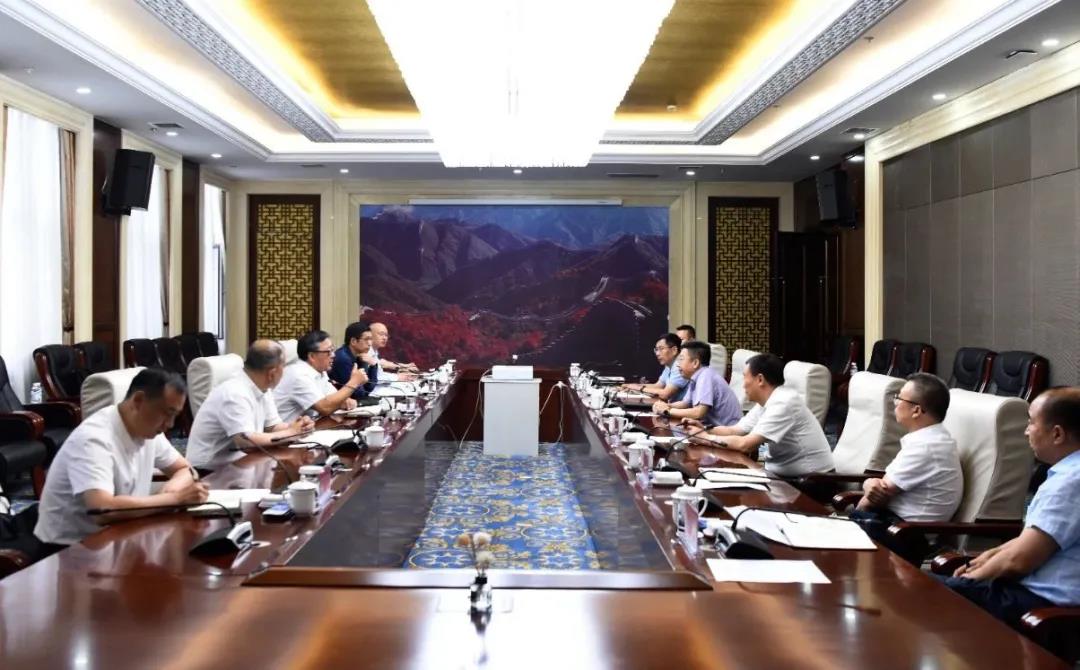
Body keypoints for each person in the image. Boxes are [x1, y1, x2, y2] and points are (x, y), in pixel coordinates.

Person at [938, 387, 1080, 635]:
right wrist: (986, 558)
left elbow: (1019, 560)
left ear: (1057, 434)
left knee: (912, 591)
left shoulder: (1070, 482)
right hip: (1030, 596)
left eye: (1031, 422)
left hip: (1037, 606)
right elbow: (1034, 539)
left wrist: (966, 580)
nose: (1026, 431)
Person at [33, 368, 209, 552]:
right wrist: (174, 499)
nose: (170, 424)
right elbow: (102, 509)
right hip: (69, 549)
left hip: (119, 535)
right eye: (167, 413)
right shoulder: (94, 438)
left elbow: (185, 469)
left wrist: (171, 490)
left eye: (175, 416)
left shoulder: (149, 429)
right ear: (138, 401)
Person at [851, 373, 962, 564]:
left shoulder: (927, 446)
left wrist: (856, 515)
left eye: (899, 398)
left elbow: (876, 496)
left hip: (903, 535)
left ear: (916, 410)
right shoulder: (931, 440)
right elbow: (878, 487)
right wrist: (869, 483)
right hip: (896, 527)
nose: (895, 403)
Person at [692, 353, 834, 476]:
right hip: (779, 475)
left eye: (745, 377)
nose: (743, 384)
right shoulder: (767, 401)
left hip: (810, 482)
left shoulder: (784, 403)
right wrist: (702, 430)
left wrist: (705, 438)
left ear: (760, 379)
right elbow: (735, 430)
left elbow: (745, 445)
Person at [185, 340, 314, 469]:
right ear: (272, 373)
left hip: (241, 462)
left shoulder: (263, 387)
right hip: (209, 471)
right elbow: (246, 442)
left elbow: (272, 426)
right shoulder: (234, 393)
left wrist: (298, 427)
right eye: (283, 367)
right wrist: (290, 433)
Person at [274, 329, 368, 423]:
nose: (333, 355)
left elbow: (335, 399)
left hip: (310, 426)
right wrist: (354, 382)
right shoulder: (298, 375)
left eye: (333, 350)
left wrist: (343, 400)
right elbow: (325, 407)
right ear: (312, 356)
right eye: (328, 351)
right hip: (284, 430)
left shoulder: (320, 371)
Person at [652, 341, 740, 427]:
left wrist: (668, 411)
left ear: (695, 363)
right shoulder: (695, 377)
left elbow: (699, 412)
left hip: (728, 432)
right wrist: (666, 406)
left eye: (681, 359)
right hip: (712, 428)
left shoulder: (706, 376)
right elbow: (685, 403)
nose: (678, 365)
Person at [620, 333, 689, 402]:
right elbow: (658, 386)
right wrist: (631, 386)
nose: (657, 353)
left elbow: (665, 394)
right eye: (656, 349)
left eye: (661, 349)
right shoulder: (669, 366)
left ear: (674, 350)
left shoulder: (679, 366)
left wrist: (639, 388)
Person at [330, 321, 379, 400]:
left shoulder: (359, 356)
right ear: (353, 341)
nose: (370, 344)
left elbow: (368, 388)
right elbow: (357, 394)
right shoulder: (343, 359)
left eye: (371, 339)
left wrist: (373, 366)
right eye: (366, 339)